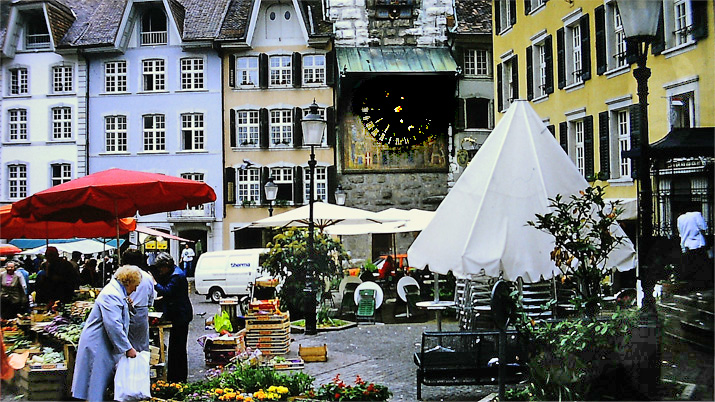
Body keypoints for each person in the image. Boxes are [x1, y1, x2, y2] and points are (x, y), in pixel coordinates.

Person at [72, 265, 141, 402]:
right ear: (128, 282)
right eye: (135, 285)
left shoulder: (118, 293)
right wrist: (127, 348)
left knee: (98, 384)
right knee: (94, 385)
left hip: (103, 344)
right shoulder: (111, 294)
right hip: (97, 345)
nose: (135, 289)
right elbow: (113, 324)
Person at [153, 252, 192, 382]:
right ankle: (176, 377)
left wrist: (155, 284)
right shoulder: (175, 273)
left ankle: (178, 378)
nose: (160, 271)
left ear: (166, 266)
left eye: (160, 268)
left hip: (180, 315)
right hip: (180, 314)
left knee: (178, 348)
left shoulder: (176, 276)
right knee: (176, 347)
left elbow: (168, 291)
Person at [122, 249, 156, 352]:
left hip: (123, 311)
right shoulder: (147, 277)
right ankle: (140, 366)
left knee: (125, 345)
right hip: (141, 313)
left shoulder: (120, 276)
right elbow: (151, 298)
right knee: (141, 345)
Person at [677, 208, 711, 286]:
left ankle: (692, 284)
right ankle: (702, 284)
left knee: (690, 266)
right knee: (701, 266)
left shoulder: (680, 218)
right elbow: (703, 227)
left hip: (686, 244)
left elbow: (680, 232)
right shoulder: (697, 215)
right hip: (697, 244)